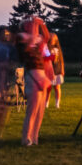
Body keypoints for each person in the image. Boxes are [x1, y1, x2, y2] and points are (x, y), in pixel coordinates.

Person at [18, 18, 56, 146]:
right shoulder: (22, 37)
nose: (32, 24)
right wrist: (35, 25)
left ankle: (34, 137)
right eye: (29, 23)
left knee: (40, 110)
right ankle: (26, 138)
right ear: (25, 27)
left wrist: (41, 24)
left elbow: (46, 37)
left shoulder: (35, 38)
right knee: (32, 109)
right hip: (32, 73)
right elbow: (31, 41)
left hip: (41, 72)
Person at [46, 32, 65, 108]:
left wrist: (62, 69)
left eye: (53, 39)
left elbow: (61, 60)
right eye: (50, 38)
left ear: (56, 40)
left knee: (57, 88)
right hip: (49, 70)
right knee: (48, 88)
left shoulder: (58, 49)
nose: (52, 40)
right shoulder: (46, 48)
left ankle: (57, 104)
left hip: (57, 70)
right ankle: (46, 103)